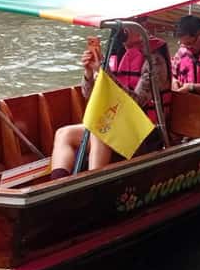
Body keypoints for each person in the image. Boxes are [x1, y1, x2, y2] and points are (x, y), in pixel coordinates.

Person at [50, 29, 171, 179]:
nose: (122, 31)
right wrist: (89, 73)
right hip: (116, 124)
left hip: (144, 131)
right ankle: (58, 183)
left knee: (101, 132)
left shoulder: (155, 61)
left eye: (127, 27)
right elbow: (89, 95)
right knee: (64, 134)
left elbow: (138, 102)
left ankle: (93, 184)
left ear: (140, 26)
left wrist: (105, 72)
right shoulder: (114, 54)